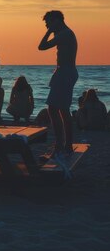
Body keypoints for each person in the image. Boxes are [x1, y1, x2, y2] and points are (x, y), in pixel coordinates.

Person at [38, 10, 78, 157]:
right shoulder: (62, 33)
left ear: (56, 20)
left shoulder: (65, 33)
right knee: (56, 109)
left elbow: (41, 46)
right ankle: (63, 144)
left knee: (59, 109)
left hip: (65, 72)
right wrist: (51, 30)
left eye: (48, 22)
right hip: (62, 72)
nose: (47, 25)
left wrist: (49, 31)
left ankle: (63, 145)